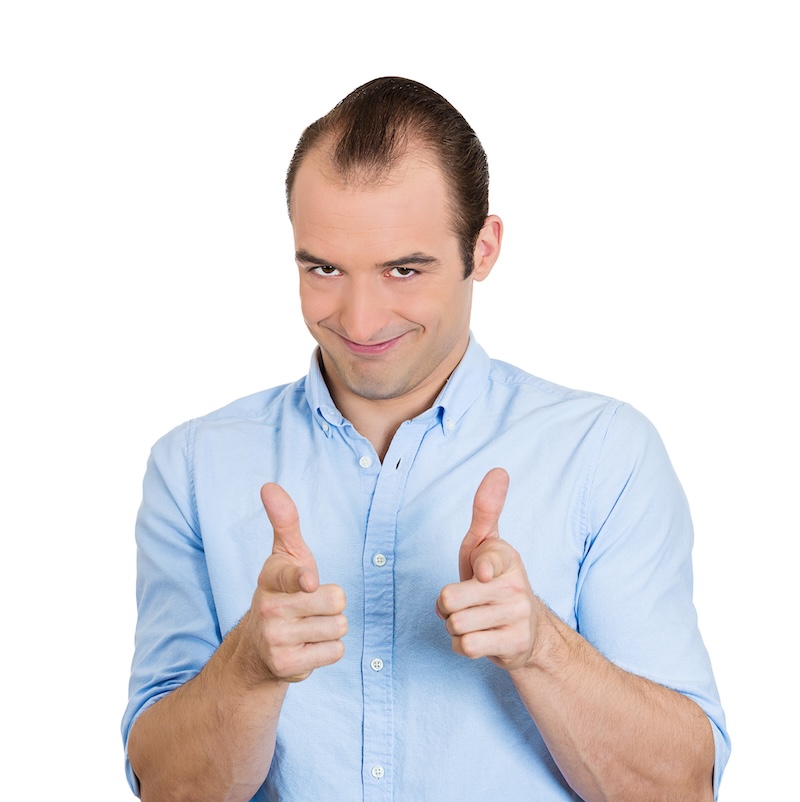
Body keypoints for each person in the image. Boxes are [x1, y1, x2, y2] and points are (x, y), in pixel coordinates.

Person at [122, 77, 729, 801]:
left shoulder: (605, 455)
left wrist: (541, 649)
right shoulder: (193, 467)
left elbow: (682, 786)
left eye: (403, 270)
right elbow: (164, 785)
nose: (360, 319)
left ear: (483, 248)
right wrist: (248, 670)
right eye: (324, 269)